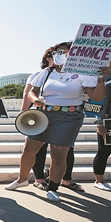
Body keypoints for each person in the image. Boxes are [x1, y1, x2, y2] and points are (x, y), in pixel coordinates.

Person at [5, 41, 110, 202]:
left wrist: (101, 79)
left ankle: (53, 188)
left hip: (68, 117)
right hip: (43, 114)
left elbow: (96, 97)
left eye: (64, 52)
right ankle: (22, 179)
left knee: (59, 156)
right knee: (28, 150)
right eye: (58, 52)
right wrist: (36, 100)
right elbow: (32, 92)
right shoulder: (47, 72)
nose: (60, 54)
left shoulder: (82, 74)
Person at [20, 56, 80, 192]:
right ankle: (34, 179)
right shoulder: (42, 73)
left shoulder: (79, 75)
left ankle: (60, 183)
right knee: (33, 149)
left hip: (67, 116)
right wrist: (25, 109)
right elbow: (29, 92)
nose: (60, 58)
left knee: (63, 152)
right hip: (43, 114)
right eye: (54, 55)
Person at [93, 76, 111, 191]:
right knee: (104, 152)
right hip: (109, 123)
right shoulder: (109, 86)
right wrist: (99, 123)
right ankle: (99, 180)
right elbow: (102, 105)